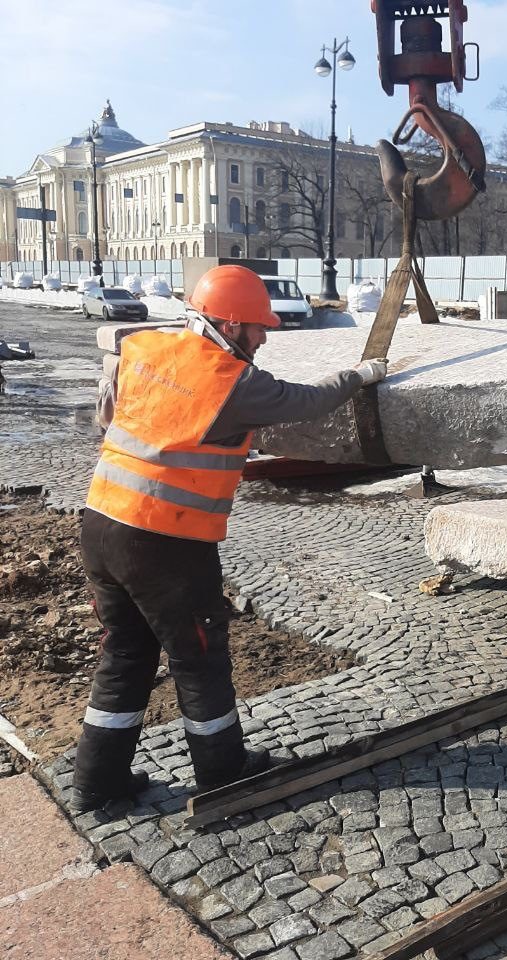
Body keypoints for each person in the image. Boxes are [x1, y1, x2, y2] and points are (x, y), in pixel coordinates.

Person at [71, 264, 387, 812]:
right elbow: (305, 401)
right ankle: (223, 773)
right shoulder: (232, 380)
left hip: (100, 523)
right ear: (230, 324)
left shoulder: (144, 348)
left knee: (126, 650)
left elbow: (109, 412)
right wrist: (359, 376)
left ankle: (96, 784)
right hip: (166, 541)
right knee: (199, 656)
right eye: (259, 327)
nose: (264, 337)